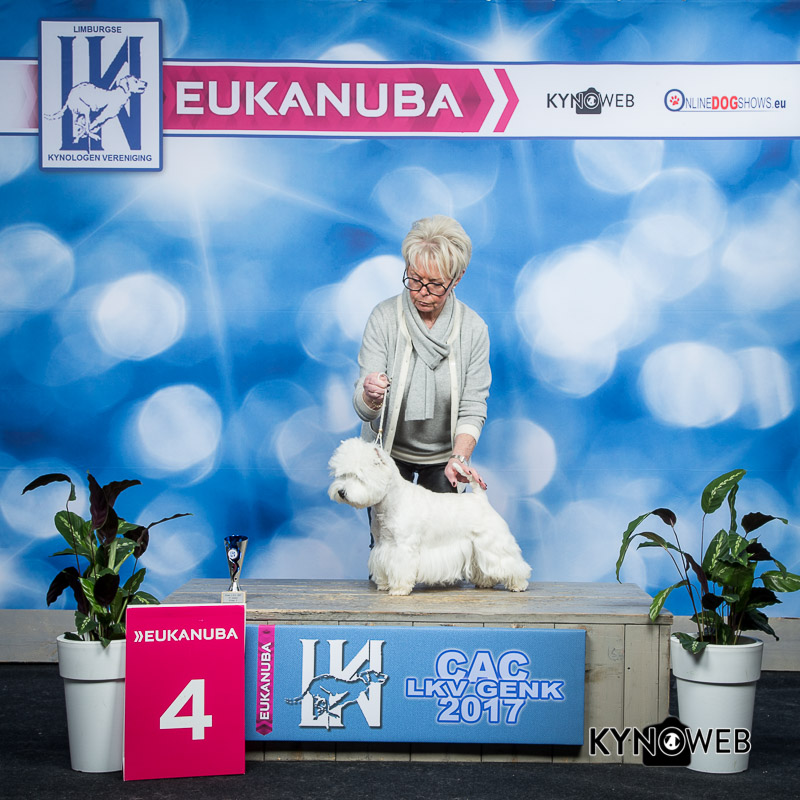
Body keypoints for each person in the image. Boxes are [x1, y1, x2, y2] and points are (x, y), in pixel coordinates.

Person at [353, 215, 490, 495]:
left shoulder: (474, 329)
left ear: (457, 278)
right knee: (389, 527)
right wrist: (370, 395)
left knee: (443, 523)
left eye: (435, 284)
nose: (422, 293)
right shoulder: (384, 317)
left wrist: (459, 458)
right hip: (386, 453)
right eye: (415, 279)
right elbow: (364, 410)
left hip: (444, 458)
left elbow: (473, 406)